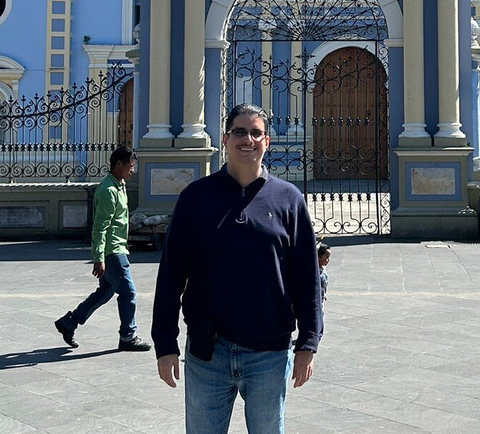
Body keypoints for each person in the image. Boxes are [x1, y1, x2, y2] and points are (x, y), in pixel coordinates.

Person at [152, 104, 323, 434]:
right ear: (226, 138)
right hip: (207, 353)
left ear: (267, 141)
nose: (249, 139)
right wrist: (165, 343)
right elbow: (172, 275)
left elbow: (307, 276)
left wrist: (308, 343)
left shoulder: (289, 199)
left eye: (256, 133)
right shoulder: (196, 198)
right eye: (240, 132)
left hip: (268, 353)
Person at [54, 145, 151, 352]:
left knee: (105, 292)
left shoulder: (119, 185)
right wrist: (99, 257)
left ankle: (69, 322)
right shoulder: (108, 190)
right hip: (112, 252)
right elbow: (100, 227)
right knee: (128, 292)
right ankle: (128, 335)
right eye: (130, 166)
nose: (132, 170)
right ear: (119, 164)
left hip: (118, 248)